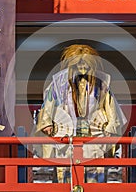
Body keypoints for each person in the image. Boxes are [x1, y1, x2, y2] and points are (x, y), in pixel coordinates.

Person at [36, 44, 127, 183]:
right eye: (79, 65)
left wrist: (111, 127)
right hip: (67, 135)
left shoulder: (101, 83)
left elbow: (111, 106)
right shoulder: (59, 83)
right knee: (66, 172)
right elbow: (48, 103)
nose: (83, 69)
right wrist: (46, 122)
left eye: (86, 66)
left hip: (93, 134)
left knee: (95, 170)